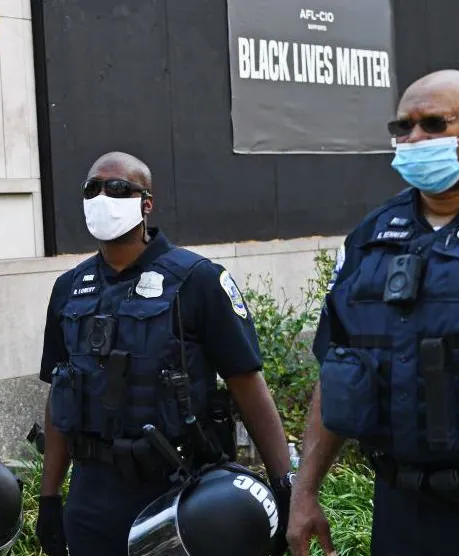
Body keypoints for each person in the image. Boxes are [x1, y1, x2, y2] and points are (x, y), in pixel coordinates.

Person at [34, 152, 294, 556]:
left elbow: (246, 384)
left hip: (176, 491)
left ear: (146, 204)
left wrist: (285, 487)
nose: (102, 197)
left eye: (117, 188)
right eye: (92, 188)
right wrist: (49, 496)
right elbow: (60, 395)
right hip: (92, 496)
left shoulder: (198, 280)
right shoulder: (69, 288)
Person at [287, 69, 459, 556]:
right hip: (402, 510)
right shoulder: (371, 237)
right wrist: (305, 491)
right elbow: (338, 368)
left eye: (434, 124)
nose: (414, 138)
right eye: (403, 127)